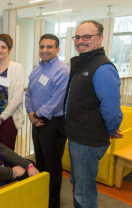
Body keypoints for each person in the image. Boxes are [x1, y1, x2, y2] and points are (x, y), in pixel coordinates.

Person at [65, 20, 123, 208]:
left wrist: (109, 128)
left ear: (100, 39)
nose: (81, 41)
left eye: (87, 37)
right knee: (79, 184)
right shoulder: (83, 63)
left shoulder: (103, 68)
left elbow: (112, 109)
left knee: (84, 192)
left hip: (87, 141)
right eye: (78, 37)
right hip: (78, 137)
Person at [25, 34, 69, 208]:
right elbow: (28, 94)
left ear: (58, 49)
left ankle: (52, 203)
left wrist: (37, 115)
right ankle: (41, 198)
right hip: (37, 123)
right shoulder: (36, 70)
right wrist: (30, 113)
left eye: (49, 47)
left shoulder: (62, 71)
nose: (45, 50)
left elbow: (56, 100)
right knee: (40, 162)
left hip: (53, 124)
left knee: (52, 166)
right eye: (42, 47)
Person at [0, 34, 25, 150]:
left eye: (3, 47)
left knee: (7, 155)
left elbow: (17, 98)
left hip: (8, 120)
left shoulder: (17, 68)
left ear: (10, 50)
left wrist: (0, 120)